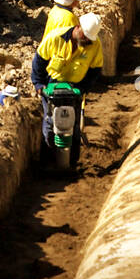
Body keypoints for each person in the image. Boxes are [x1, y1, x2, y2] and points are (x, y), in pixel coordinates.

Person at [32, 13, 103, 166]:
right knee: (50, 122)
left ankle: (72, 161)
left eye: (89, 38)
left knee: (73, 123)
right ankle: (48, 160)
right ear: (77, 27)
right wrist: (39, 85)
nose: (86, 40)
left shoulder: (94, 44)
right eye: (84, 35)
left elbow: (95, 69)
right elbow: (39, 61)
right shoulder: (55, 37)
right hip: (52, 84)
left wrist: (84, 88)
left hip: (75, 87)